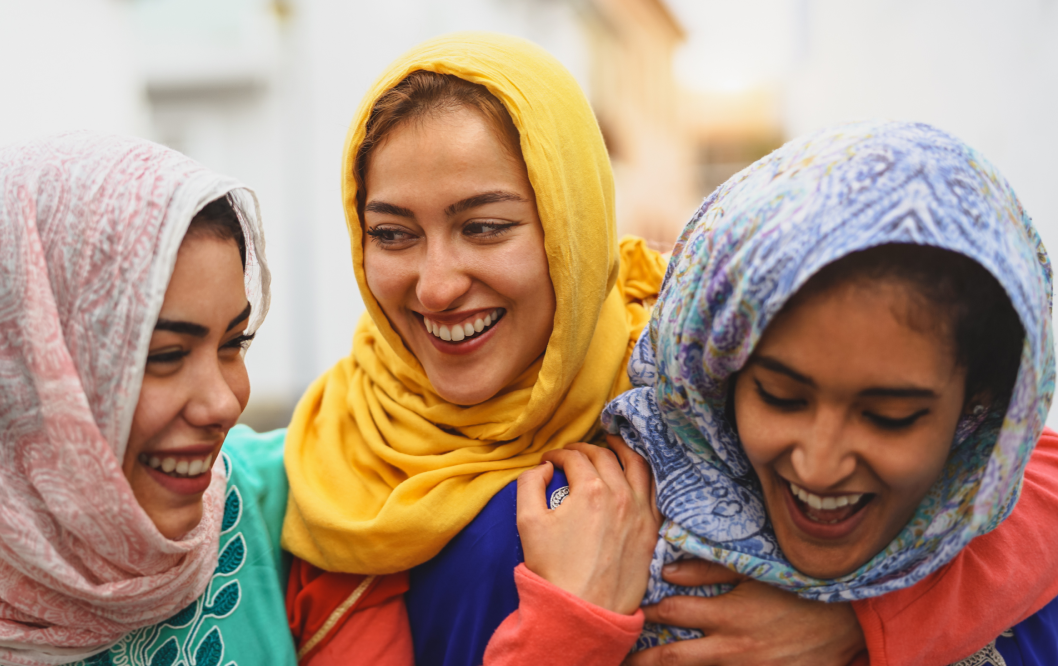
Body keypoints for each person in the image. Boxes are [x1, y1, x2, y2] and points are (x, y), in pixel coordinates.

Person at [281, 33, 1058, 665]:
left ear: (572, 222)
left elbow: (1026, 481)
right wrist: (572, 620)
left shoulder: (697, 370)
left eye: (485, 226)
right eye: (391, 233)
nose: (437, 285)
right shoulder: (338, 469)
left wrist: (859, 617)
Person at [589, 121, 1058, 664]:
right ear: (717, 375)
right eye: (781, 397)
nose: (818, 466)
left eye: (890, 416)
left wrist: (871, 621)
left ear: (979, 409)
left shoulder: (1031, 602)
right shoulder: (577, 536)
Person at [0, 134, 297, 666]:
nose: (223, 404)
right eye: (164, 355)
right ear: (13, 373)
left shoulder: (269, 502)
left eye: (234, 344)